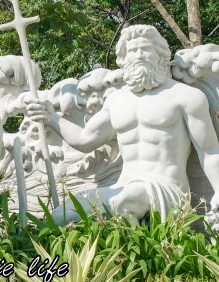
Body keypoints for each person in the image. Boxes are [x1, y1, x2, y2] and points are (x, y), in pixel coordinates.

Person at [27, 25, 219, 221]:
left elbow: (210, 152)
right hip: (124, 187)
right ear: (124, 59)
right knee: (63, 215)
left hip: (166, 189)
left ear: (160, 54)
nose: (139, 55)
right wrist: (51, 118)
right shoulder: (116, 100)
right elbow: (85, 140)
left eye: (146, 49)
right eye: (132, 51)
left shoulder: (186, 97)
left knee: (126, 201)